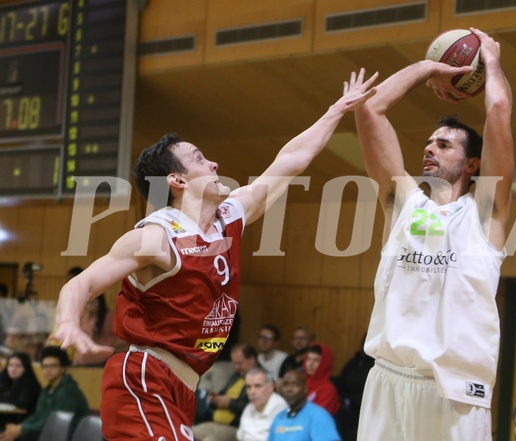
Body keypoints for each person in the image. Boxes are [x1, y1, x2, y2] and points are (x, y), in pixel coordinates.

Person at [50, 69, 378, 440]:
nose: (214, 164)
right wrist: (68, 324)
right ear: (177, 181)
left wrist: (337, 109)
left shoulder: (230, 215)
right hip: (142, 377)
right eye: (200, 159)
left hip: (184, 386)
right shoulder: (158, 236)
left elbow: (290, 161)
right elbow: (83, 282)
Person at [354, 27, 513, 441]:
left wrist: (490, 62)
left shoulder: (486, 212)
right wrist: (428, 67)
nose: (429, 148)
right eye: (428, 143)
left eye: (443, 145)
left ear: (473, 164)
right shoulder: (403, 201)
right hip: (387, 379)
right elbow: (371, 110)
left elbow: (497, 108)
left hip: (455, 389)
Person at [0, 346, 89, 441]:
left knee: (25, 437)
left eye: (53, 366)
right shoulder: (47, 390)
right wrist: (20, 427)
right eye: (45, 366)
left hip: (70, 435)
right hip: (51, 432)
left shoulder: (68, 391)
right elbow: (38, 415)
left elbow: (56, 423)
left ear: (63, 368)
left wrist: (22, 429)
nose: (48, 370)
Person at [193, 343, 259, 441]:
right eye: (235, 364)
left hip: (235, 427)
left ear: (252, 360)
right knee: (183, 434)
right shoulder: (237, 376)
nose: (236, 367)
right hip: (214, 421)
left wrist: (230, 403)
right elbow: (224, 392)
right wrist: (216, 397)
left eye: (240, 363)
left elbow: (256, 407)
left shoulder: (261, 380)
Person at [269, 370, 340, 441]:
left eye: (295, 384)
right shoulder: (279, 418)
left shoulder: (319, 416)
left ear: (305, 389)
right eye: (286, 384)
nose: (289, 389)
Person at [334, 334, 374, 441]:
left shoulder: (376, 365)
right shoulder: (354, 361)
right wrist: (344, 398)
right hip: (347, 406)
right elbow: (342, 381)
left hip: (366, 408)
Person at [236, 367, 287, 441]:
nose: (252, 392)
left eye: (257, 386)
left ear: (271, 387)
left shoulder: (281, 409)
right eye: (248, 387)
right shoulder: (248, 408)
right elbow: (240, 437)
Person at [0, 353, 41, 430]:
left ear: (25, 368)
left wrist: (5, 398)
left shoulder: (30, 384)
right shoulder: (5, 380)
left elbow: (22, 403)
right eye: (10, 365)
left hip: (23, 424)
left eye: (18, 366)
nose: (13, 369)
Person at [303, 343, 340, 415]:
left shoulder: (328, 390)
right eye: (308, 359)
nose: (310, 364)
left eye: (316, 360)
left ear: (325, 363)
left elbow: (318, 416)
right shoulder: (301, 382)